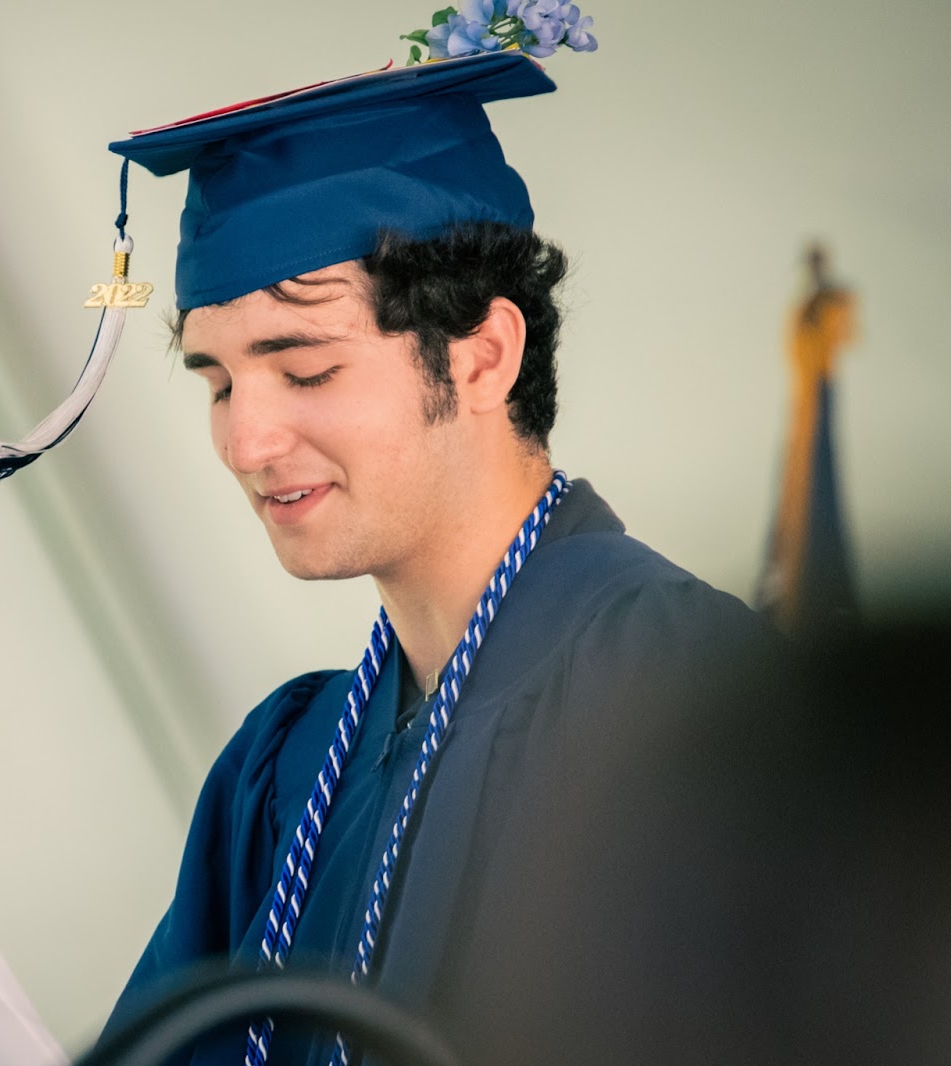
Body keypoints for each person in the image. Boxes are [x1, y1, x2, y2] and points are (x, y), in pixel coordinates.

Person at [81, 48, 783, 1066]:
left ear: (481, 355)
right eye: (219, 384)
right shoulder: (283, 767)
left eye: (304, 368)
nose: (245, 443)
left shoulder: (688, 694)